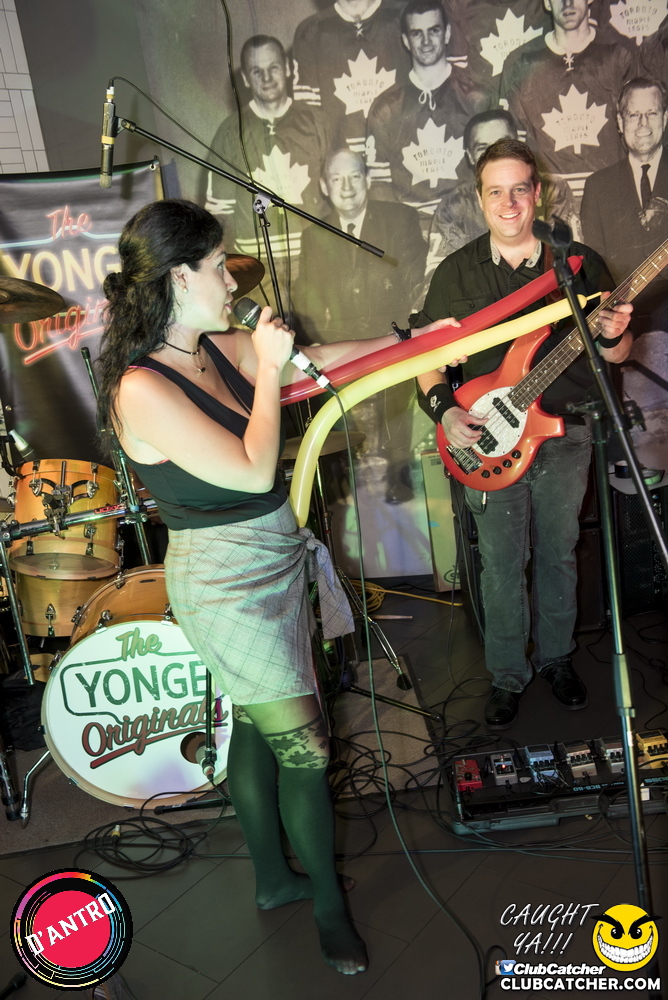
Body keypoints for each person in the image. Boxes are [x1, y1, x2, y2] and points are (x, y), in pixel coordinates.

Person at [95, 199, 451, 974]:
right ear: (179, 277)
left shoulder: (215, 346)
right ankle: (327, 907)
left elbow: (317, 358)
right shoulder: (140, 388)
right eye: (218, 267)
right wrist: (266, 365)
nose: (233, 280)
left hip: (277, 558)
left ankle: (272, 881)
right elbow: (255, 468)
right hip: (222, 584)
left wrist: (408, 339)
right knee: (306, 750)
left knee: (258, 729)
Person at [414, 140, 633, 729]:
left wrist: (614, 331)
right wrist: (445, 413)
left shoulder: (578, 263)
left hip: (563, 432)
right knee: (501, 564)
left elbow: (617, 352)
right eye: (496, 191)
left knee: (559, 553)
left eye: (519, 189)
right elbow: (425, 360)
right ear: (479, 198)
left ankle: (557, 660)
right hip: (488, 438)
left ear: (538, 193)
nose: (508, 203)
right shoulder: (455, 272)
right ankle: (508, 675)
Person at [294, 148, 426, 503]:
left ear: (367, 179)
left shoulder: (401, 218)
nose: (347, 187)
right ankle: (342, 483)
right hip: (342, 339)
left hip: (392, 332)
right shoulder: (314, 236)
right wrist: (315, 344)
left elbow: (414, 277)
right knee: (332, 404)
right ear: (325, 186)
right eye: (337, 179)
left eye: (354, 176)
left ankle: (399, 477)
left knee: (398, 402)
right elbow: (306, 295)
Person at [202, 35, 335, 268]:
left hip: (315, 259)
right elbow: (220, 214)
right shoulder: (230, 132)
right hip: (258, 264)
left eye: (273, 67)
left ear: (288, 68)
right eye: (256, 71)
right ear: (245, 78)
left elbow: (339, 193)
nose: (267, 78)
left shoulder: (317, 122)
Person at [366, 0, 491, 227]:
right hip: (413, 230)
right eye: (417, 33)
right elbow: (379, 187)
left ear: (447, 34)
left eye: (434, 31)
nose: (426, 41)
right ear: (406, 41)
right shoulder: (386, 108)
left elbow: (496, 171)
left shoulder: (476, 97)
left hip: (470, 225)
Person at [500, 0, 633, 202]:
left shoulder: (620, 54)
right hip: (551, 203)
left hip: (611, 198)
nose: (567, 3)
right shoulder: (522, 62)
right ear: (547, 2)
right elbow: (512, 146)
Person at [427, 108, 578, 275]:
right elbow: (441, 276)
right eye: (482, 148)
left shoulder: (553, 189)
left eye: (502, 145)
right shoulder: (454, 204)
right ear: (470, 156)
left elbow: (573, 262)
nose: (495, 156)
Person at [581, 77, 668, 331]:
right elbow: (594, 271)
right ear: (620, 122)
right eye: (634, 115)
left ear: (665, 118)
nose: (643, 124)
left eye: (652, 113)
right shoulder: (597, 186)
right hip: (621, 325)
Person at [292, 0, 409, 152]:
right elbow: (308, 119)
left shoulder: (404, 17)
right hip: (342, 161)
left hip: (402, 155)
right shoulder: (311, 30)